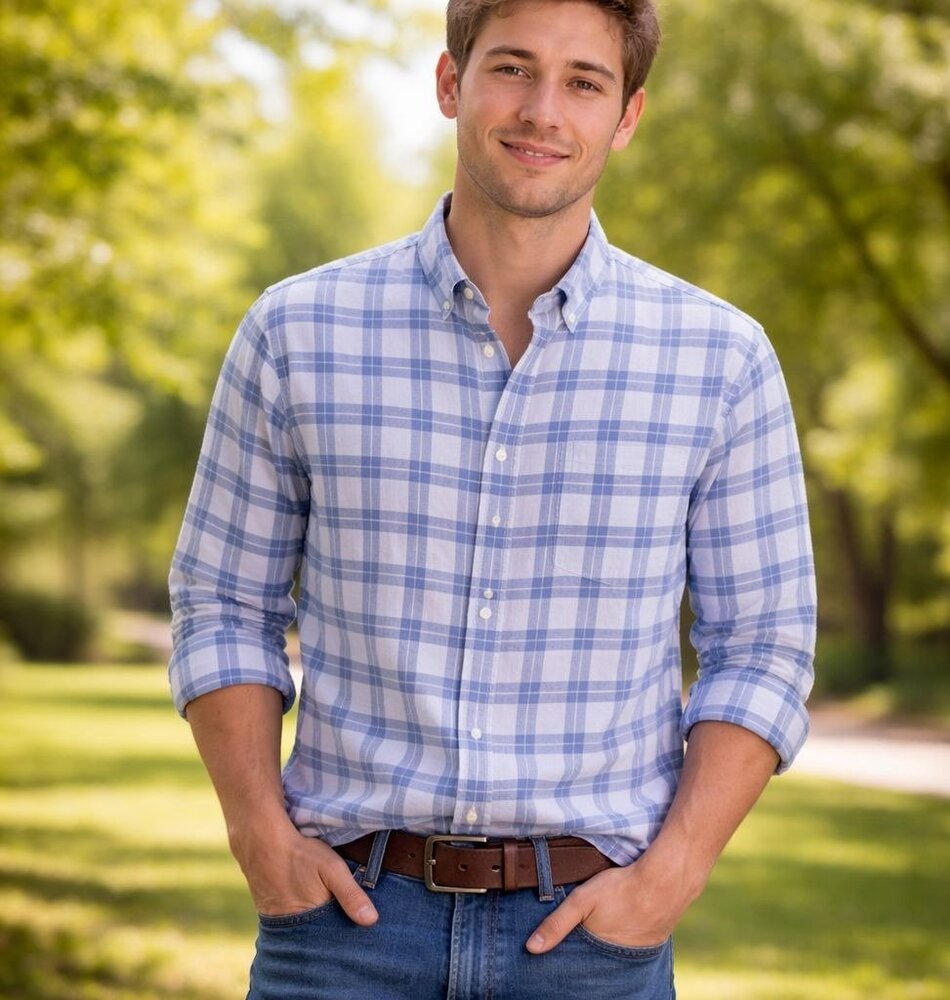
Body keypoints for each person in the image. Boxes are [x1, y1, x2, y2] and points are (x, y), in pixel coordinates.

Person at [168, 0, 816, 996]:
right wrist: (259, 835)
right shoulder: (296, 332)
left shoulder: (718, 360)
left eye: (583, 82)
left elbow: (763, 644)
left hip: (593, 940)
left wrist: (671, 876)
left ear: (627, 116)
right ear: (448, 83)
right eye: (510, 68)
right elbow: (223, 603)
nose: (542, 111)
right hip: (343, 928)